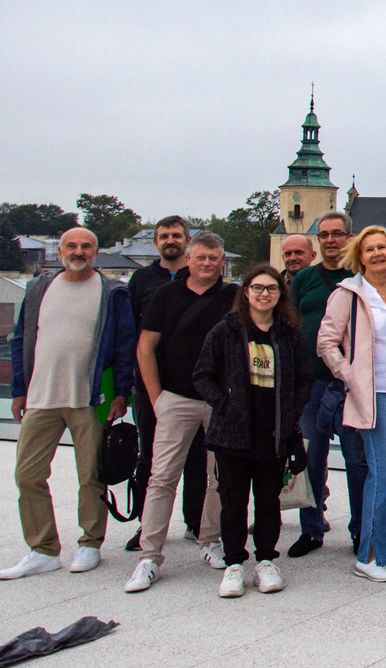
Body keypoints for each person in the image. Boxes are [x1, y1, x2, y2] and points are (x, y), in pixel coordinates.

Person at [1, 228, 134, 580]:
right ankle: (42, 549)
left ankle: (91, 542)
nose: (79, 251)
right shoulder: (39, 288)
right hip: (41, 397)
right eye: (71, 246)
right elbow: (20, 340)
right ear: (59, 250)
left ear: (96, 250)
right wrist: (19, 390)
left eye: (86, 246)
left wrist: (122, 393)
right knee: (27, 475)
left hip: (88, 399)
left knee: (90, 474)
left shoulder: (112, 292)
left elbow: (125, 345)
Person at [124, 231, 238, 593]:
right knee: (162, 478)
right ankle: (150, 555)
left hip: (219, 401)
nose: (207, 263)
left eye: (214, 258)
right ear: (190, 259)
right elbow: (146, 347)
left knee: (217, 479)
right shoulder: (166, 295)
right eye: (201, 257)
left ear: (223, 261)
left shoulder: (233, 297)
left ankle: (210, 541)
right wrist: (157, 397)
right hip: (175, 396)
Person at [193, 265, 311, 598]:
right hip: (233, 431)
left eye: (271, 289)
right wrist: (224, 403)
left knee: (268, 499)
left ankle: (266, 559)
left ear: (280, 295)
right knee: (233, 499)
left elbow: (304, 379)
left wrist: (291, 411)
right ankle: (233, 563)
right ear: (246, 292)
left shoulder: (287, 334)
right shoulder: (227, 331)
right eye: (257, 288)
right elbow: (203, 374)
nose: (264, 294)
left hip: (273, 430)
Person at [317, 226, 386, 582]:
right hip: (375, 396)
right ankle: (369, 554)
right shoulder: (349, 293)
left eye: (383, 248)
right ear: (359, 256)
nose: (377, 254)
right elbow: (327, 341)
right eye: (370, 249)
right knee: (385, 474)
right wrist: (349, 375)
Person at [124, 216, 207, 552]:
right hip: (151, 384)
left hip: (195, 386)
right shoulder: (142, 280)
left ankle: (196, 521)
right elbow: (132, 334)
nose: (170, 240)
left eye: (176, 235)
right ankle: (148, 525)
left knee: (198, 457)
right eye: (164, 236)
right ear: (155, 242)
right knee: (150, 457)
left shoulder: (200, 278)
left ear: (187, 241)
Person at [286, 211, 358, 558]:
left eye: (337, 234)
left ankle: (360, 529)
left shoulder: (360, 277)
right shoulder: (304, 280)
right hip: (311, 382)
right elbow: (288, 324)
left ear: (349, 237)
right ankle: (311, 529)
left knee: (357, 458)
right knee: (311, 458)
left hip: (349, 384)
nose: (331, 240)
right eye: (325, 235)